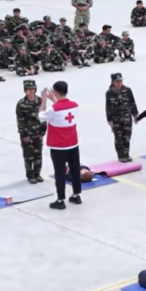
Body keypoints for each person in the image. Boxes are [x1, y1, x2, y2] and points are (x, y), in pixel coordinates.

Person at [38, 81, 82, 210]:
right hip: (73, 143)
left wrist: (44, 100)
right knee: (75, 169)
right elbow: (61, 111)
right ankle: (76, 195)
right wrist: (54, 100)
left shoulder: (53, 109)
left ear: (55, 92)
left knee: (60, 173)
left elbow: (41, 116)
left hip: (59, 146)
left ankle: (60, 199)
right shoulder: (74, 105)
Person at [104, 72, 139, 164]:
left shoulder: (127, 90)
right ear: (113, 82)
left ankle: (126, 154)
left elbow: (132, 103)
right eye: (117, 82)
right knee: (118, 137)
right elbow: (108, 107)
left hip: (127, 118)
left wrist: (135, 115)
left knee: (127, 137)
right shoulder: (109, 93)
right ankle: (121, 155)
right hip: (116, 120)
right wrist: (109, 120)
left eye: (120, 81)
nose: (119, 83)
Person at [16, 80, 46, 184]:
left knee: (38, 155)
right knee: (28, 156)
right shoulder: (21, 104)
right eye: (28, 89)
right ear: (25, 90)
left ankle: (37, 174)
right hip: (27, 134)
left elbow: (44, 117)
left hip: (38, 133)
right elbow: (20, 121)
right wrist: (24, 134)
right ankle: (30, 175)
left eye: (33, 89)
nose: (31, 91)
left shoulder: (40, 101)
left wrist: (42, 132)